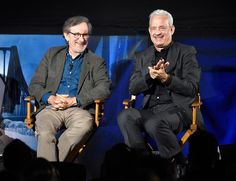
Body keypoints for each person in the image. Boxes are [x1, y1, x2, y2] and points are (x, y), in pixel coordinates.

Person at [118, 9, 204, 163]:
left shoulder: (186, 52)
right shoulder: (142, 56)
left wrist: (167, 79)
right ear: (149, 31)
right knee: (125, 116)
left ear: (172, 29)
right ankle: (142, 162)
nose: (157, 32)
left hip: (179, 110)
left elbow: (192, 87)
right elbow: (133, 88)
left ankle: (176, 162)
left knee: (155, 123)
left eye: (162, 28)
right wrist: (149, 76)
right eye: (154, 28)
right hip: (150, 110)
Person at [28, 15, 111, 161]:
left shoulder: (96, 61)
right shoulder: (51, 55)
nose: (82, 39)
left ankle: (50, 171)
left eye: (85, 34)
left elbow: (104, 88)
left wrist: (74, 101)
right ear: (66, 35)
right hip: (51, 108)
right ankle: (55, 172)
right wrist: (51, 98)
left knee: (84, 125)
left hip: (79, 109)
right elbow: (35, 85)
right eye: (77, 34)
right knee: (45, 133)